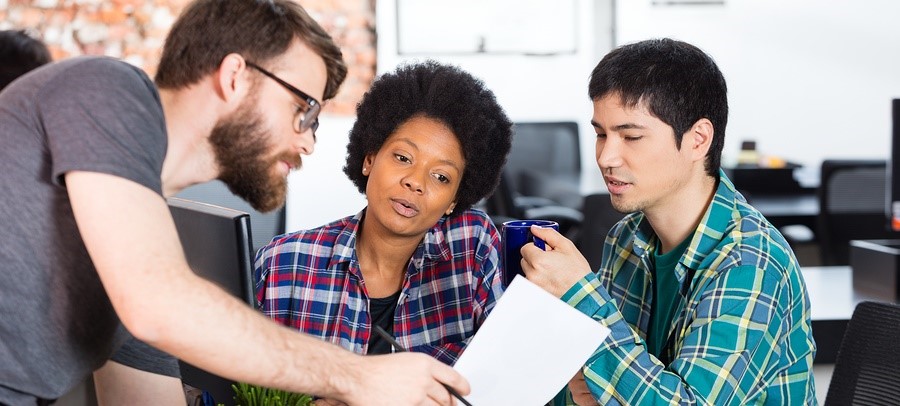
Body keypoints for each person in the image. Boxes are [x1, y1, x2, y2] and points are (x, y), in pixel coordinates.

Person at [0, 0, 470, 404]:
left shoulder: (136, 254)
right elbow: (160, 306)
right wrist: (358, 376)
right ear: (236, 77)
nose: (307, 143)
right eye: (304, 109)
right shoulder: (106, 89)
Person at [520, 38, 816, 405]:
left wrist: (580, 294)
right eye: (600, 134)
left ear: (697, 140)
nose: (607, 157)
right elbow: (596, 383)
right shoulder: (627, 238)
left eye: (631, 136)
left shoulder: (749, 264)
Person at [255, 61, 511, 368]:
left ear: (454, 200)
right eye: (403, 157)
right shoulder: (283, 264)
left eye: (441, 177)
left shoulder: (472, 245)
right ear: (369, 159)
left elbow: (504, 368)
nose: (415, 182)